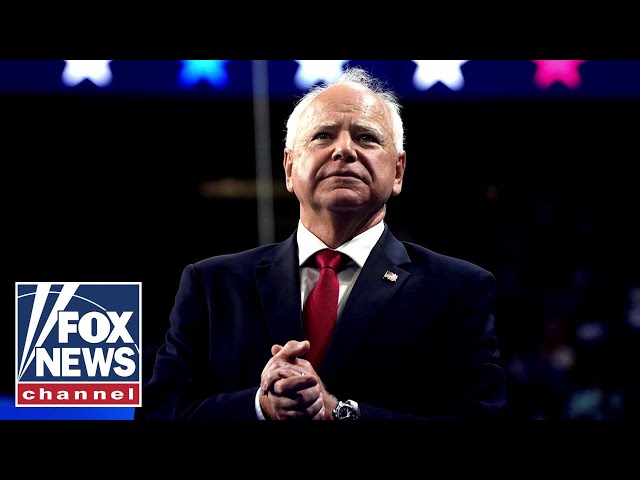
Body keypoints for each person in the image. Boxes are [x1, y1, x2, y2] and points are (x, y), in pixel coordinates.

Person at [136, 66, 507, 420]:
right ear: (288, 168)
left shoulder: (458, 289)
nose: (344, 150)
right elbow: (159, 410)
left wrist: (339, 412)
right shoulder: (211, 285)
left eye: (366, 137)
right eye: (323, 135)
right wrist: (259, 407)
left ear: (397, 172)